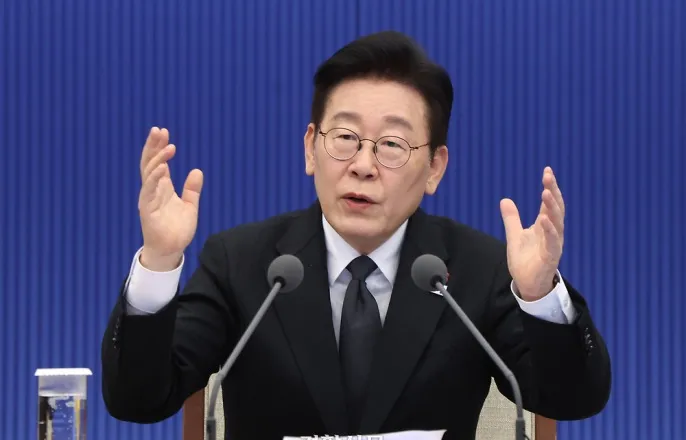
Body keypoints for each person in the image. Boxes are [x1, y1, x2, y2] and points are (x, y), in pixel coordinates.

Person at [101, 31, 611, 440]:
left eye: (391, 145)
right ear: (310, 148)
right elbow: (139, 400)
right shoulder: (243, 262)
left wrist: (539, 294)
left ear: (435, 168)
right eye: (345, 137)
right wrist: (160, 260)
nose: (363, 165)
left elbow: (571, 399)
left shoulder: (476, 269)